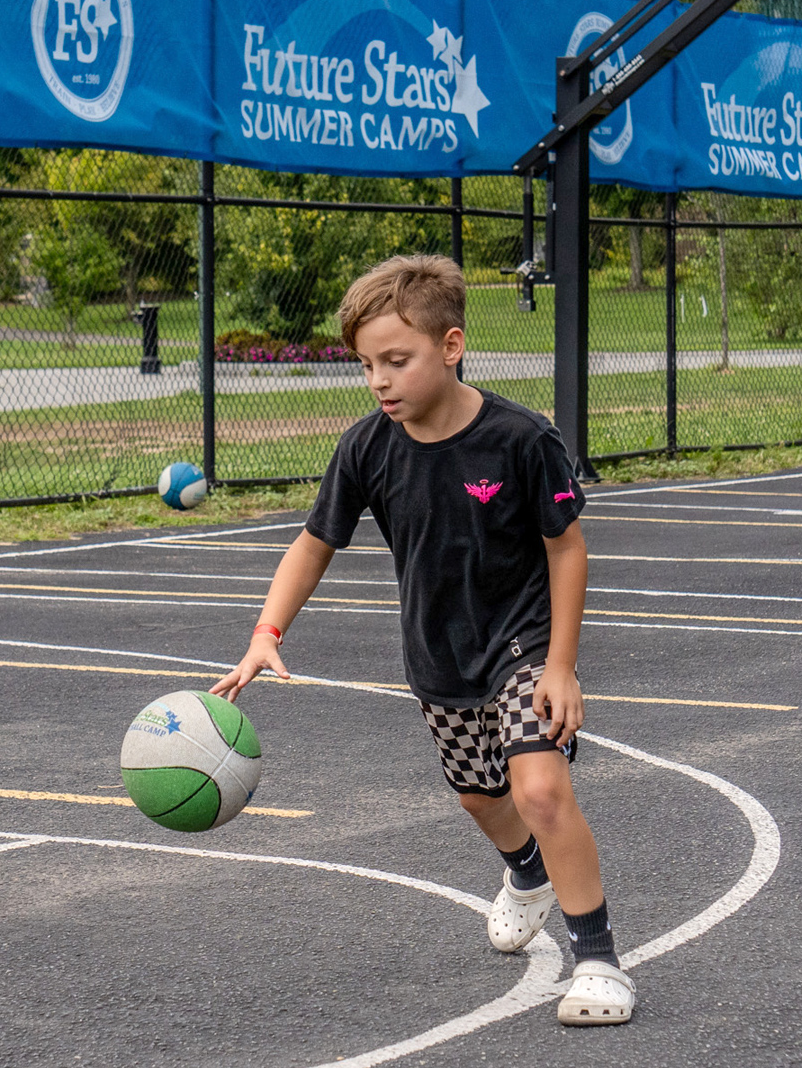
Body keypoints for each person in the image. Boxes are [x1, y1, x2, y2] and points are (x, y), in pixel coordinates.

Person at [210, 255, 634, 1026]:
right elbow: (313, 542)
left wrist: (562, 666)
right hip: (437, 654)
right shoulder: (366, 448)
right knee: (478, 795)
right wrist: (265, 634)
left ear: (450, 345)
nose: (378, 379)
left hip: (523, 644)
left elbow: (566, 547)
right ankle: (526, 873)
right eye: (365, 364)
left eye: (395, 360)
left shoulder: (520, 438)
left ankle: (598, 960)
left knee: (539, 790)